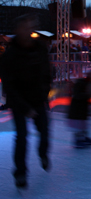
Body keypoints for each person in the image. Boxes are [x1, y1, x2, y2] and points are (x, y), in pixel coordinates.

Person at [0, 14, 52, 188]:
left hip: (38, 98)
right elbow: (9, 85)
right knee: (21, 137)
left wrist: (44, 95)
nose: (28, 31)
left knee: (44, 132)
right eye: (25, 27)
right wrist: (23, 107)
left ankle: (42, 153)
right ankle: (20, 172)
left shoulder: (39, 48)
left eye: (31, 27)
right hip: (19, 100)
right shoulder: (10, 55)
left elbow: (46, 73)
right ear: (17, 30)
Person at [67, 74, 91, 148]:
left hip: (81, 111)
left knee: (83, 126)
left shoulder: (87, 84)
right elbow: (78, 95)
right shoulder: (81, 83)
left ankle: (84, 138)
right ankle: (78, 139)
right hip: (77, 112)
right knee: (79, 127)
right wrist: (88, 95)